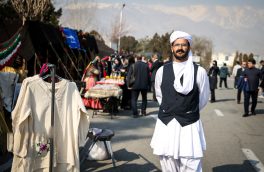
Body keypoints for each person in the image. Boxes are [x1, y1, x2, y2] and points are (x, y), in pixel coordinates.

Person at [150, 31, 210, 172]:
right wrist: (171, 108)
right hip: (167, 124)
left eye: (184, 44)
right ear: (172, 48)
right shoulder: (162, 71)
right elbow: (160, 96)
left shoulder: (199, 71)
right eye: (177, 44)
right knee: (167, 163)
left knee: (191, 164)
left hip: (189, 125)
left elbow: (203, 98)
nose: (180, 48)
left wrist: (188, 109)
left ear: (189, 47)